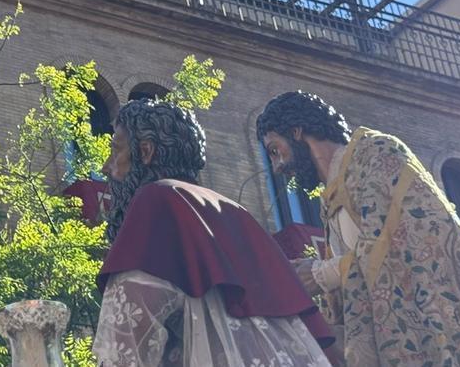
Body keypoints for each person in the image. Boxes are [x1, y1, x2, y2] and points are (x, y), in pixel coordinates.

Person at [93, 99, 333, 366]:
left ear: (145, 152)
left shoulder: (157, 199)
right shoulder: (237, 214)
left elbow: (126, 334)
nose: (106, 167)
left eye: (116, 151)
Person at [258, 91, 460, 366]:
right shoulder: (329, 201)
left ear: (296, 132)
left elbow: (407, 244)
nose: (277, 167)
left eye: (275, 151)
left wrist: (321, 274)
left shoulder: (378, 153)